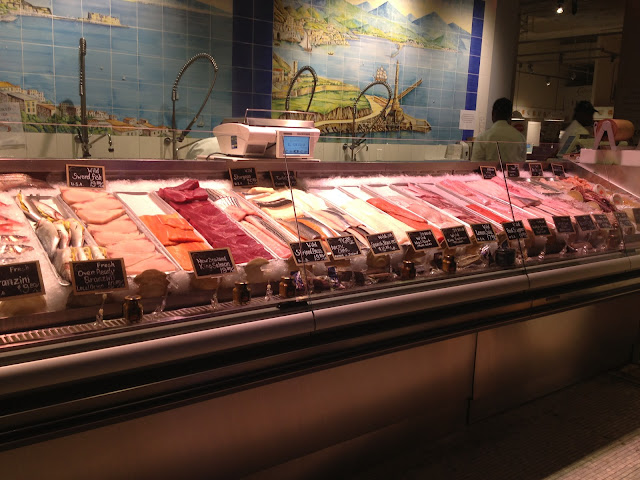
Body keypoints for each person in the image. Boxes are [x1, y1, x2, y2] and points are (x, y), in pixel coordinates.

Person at [471, 97, 526, 162]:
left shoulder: (482, 138)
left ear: (493, 114)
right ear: (510, 116)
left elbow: (475, 164)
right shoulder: (520, 138)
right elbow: (522, 163)